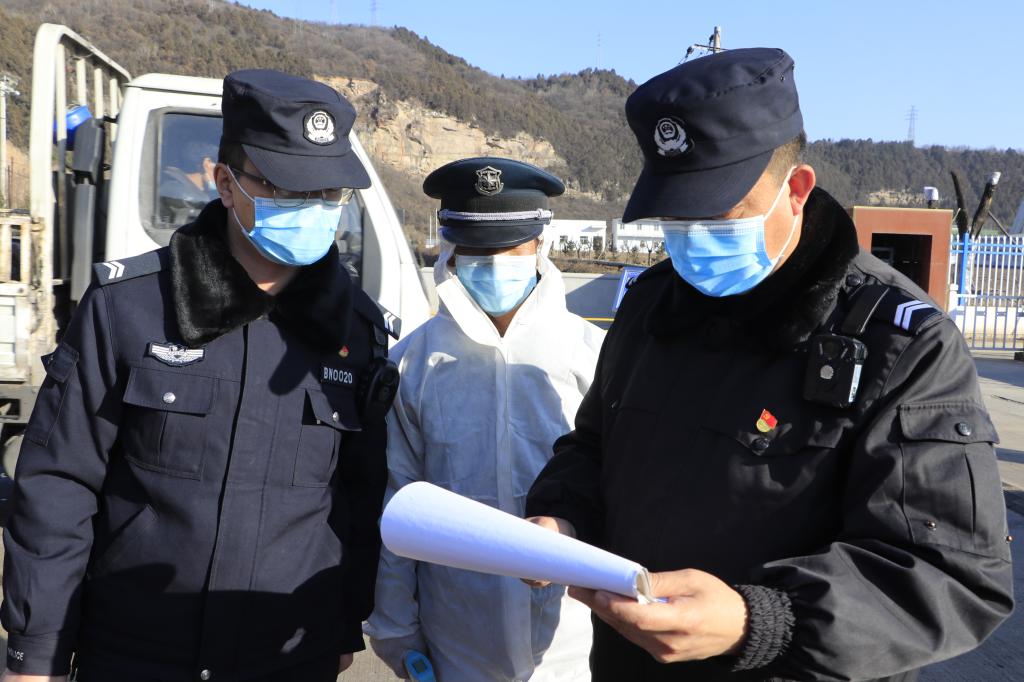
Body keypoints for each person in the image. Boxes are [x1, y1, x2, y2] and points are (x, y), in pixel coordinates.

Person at [525, 48, 1014, 681]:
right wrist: (563, 514)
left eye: (717, 213)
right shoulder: (651, 307)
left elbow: (951, 575)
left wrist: (762, 622)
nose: (691, 237)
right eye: (676, 216)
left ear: (797, 190)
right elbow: (594, 444)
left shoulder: (903, 345)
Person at [1, 69, 397, 682]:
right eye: (287, 189)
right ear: (226, 183)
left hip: (287, 659)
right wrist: (37, 648)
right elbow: (59, 483)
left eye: (328, 193)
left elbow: (359, 500)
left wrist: (344, 624)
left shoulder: (357, 335)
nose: (312, 208)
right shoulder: (128, 308)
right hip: (137, 654)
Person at [365, 158, 602, 681]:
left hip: (573, 646)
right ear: (451, 250)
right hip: (459, 639)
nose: (494, 265)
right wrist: (395, 628)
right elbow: (398, 504)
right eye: (476, 251)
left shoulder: (592, 355)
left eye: (510, 249)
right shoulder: (413, 363)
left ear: (539, 244)